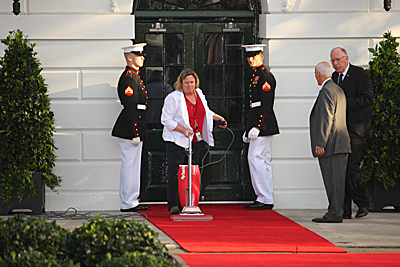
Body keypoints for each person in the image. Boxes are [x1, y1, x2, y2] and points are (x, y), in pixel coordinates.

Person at [161, 68, 227, 215]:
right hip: (177, 141)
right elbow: (165, 119)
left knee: (193, 172)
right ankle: (174, 204)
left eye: (192, 82)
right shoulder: (174, 98)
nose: (190, 86)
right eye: (186, 83)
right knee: (175, 173)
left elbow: (205, 111)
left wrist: (217, 117)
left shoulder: (199, 94)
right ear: (181, 83)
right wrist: (183, 130)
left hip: (195, 140)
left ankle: (189, 202)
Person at [330, 47, 373, 219]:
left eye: (338, 60)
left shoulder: (359, 74)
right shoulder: (334, 77)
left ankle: (363, 203)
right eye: (333, 61)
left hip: (357, 126)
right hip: (341, 127)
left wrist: (344, 103)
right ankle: (344, 209)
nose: (335, 64)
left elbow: (368, 98)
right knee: (342, 166)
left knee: (351, 166)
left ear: (346, 58)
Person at [310, 61, 351, 223]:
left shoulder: (327, 90)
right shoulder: (337, 89)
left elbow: (327, 119)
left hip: (332, 144)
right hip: (340, 143)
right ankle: (336, 211)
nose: (315, 77)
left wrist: (321, 142)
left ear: (319, 74)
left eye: (315, 74)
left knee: (333, 181)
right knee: (338, 181)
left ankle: (334, 213)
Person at [111, 43, 150, 212]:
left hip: (134, 128)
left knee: (133, 165)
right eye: (138, 55)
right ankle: (128, 202)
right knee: (129, 166)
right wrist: (135, 131)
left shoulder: (134, 76)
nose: (142, 57)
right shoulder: (129, 78)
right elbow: (131, 106)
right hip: (130, 129)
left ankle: (132, 200)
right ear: (129, 57)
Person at [241, 44, 279, 210]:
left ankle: (263, 197)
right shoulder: (256, 75)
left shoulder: (265, 76)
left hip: (263, 125)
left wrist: (257, 126)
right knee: (262, 160)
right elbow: (253, 106)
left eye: (254, 55)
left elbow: (266, 105)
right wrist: (248, 128)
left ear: (262, 56)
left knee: (255, 158)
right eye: (249, 56)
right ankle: (266, 197)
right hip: (259, 125)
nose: (251, 59)